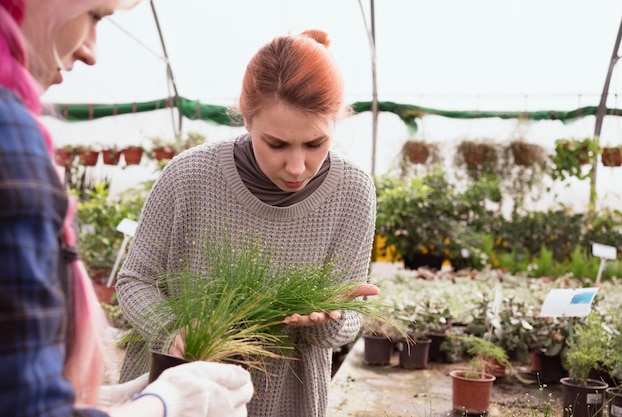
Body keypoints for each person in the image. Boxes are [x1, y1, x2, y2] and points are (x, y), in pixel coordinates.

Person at [0, 1, 253, 416]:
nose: (91, 50)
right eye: (95, 15)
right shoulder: (9, 138)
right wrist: (165, 404)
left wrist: (97, 400)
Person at [116, 29, 378, 417]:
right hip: (177, 390)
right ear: (246, 116)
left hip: (285, 400)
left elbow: (346, 320)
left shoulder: (353, 193)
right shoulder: (190, 176)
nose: (296, 166)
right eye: (276, 144)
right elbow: (134, 280)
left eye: (315, 144)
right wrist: (175, 332)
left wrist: (326, 319)